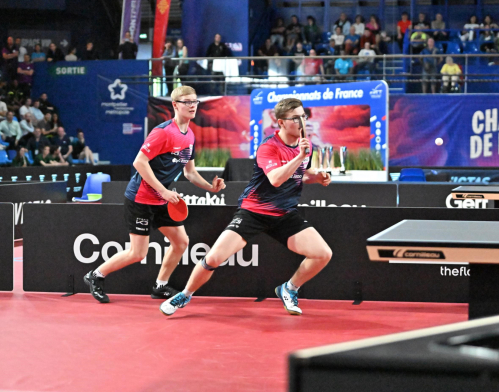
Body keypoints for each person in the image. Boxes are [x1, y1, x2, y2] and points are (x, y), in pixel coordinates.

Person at [159, 97, 332, 316]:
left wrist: (317, 177)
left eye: (303, 117)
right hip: (254, 212)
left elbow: (301, 174)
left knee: (323, 253)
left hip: (285, 214)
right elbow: (276, 179)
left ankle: (289, 288)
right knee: (213, 259)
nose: (302, 122)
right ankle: (185, 295)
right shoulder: (269, 147)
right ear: (281, 122)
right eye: (295, 118)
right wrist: (300, 157)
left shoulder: (305, 146)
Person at [83, 85, 226, 304]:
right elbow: (139, 162)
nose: (192, 105)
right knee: (138, 253)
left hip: (163, 199)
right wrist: (163, 190)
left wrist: (211, 187)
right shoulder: (163, 132)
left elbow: (190, 173)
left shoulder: (190, 136)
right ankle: (95, 275)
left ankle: (160, 286)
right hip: (141, 198)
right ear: (175, 105)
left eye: (195, 101)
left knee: (181, 242)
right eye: (187, 101)